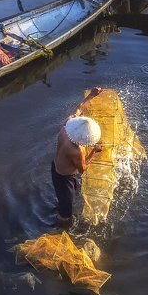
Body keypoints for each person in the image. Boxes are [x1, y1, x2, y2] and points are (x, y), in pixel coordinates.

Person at [52, 87, 105, 224]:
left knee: (64, 198)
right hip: (65, 179)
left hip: (56, 167)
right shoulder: (76, 151)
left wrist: (91, 95)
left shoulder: (67, 124)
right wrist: (94, 151)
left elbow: (79, 109)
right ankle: (57, 228)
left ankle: (61, 205)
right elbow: (83, 169)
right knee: (66, 214)